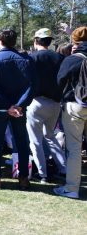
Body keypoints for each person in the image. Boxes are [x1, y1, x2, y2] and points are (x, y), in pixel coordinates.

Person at [0, 29, 35, 190]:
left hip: (2, 107)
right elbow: (31, 86)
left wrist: (9, 106)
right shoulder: (26, 60)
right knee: (21, 141)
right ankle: (23, 178)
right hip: (16, 108)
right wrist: (18, 106)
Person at [26, 28, 66, 183]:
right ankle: (63, 168)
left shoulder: (32, 57)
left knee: (35, 140)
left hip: (36, 102)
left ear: (36, 40)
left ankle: (43, 174)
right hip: (55, 102)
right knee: (50, 137)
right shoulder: (60, 58)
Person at [54, 26, 87, 199]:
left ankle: (72, 188)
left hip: (75, 105)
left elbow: (59, 82)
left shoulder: (72, 59)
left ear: (75, 41)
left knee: (74, 148)